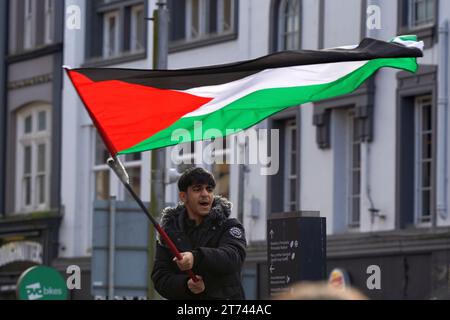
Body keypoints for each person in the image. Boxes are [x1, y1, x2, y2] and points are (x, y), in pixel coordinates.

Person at [151, 167, 247, 300]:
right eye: (197, 189)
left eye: (209, 189)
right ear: (183, 196)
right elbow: (160, 277)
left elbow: (233, 257)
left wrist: (196, 257)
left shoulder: (229, 226)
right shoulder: (168, 233)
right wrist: (186, 285)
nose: (205, 194)